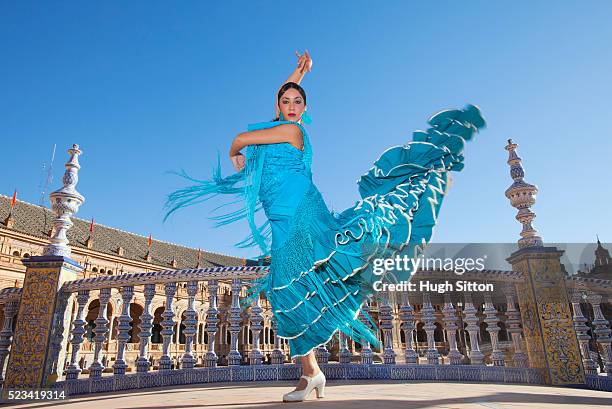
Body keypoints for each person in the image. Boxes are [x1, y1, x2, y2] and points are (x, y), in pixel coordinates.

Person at [164, 50, 486, 402]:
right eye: (285, 101)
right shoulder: (280, 124)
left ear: (303, 110)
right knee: (287, 293)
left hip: (302, 211)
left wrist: (234, 153)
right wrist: (298, 74)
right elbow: (277, 104)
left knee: (341, 250)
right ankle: (311, 373)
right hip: (281, 219)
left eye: (296, 102)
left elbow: (241, 138)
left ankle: (416, 196)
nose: (290, 105)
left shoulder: (291, 131)